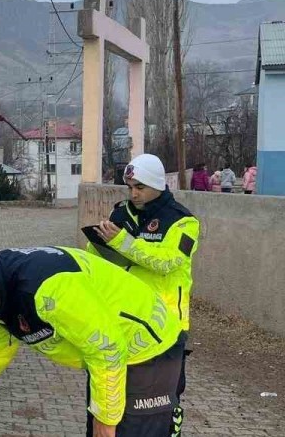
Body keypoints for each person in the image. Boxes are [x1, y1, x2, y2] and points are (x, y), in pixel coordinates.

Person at [0, 249, 185, 437]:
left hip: (148, 348)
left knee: (117, 428)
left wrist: (105, 419)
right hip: (110, 354)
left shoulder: (48, 293)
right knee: (104, 425)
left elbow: (108, 349)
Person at [91, 154, 200, 436]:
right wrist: (97, 246)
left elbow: (166, 262)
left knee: (163, 402)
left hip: (166, 326)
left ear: (156, 184)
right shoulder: (122, 213)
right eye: (130, 187)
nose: (133, 193)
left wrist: (122, 242)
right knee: (115, 397)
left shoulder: (183, 222)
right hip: (123, 321)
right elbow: (100, 260)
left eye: (140, 187)